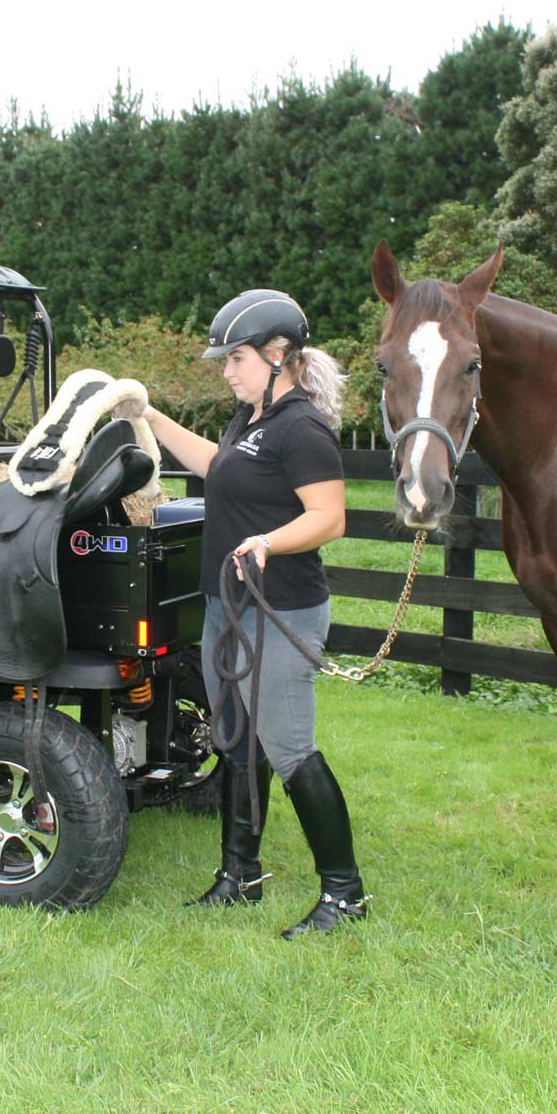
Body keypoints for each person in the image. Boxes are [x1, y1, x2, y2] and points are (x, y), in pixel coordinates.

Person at [142, 290, 368, 938]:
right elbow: (219, 467)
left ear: (277, 356)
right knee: (236, 744)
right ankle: (240, 875)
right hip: (229, 609)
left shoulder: (302, 428)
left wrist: (270, 541)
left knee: (291, 749)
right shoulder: (250, 419)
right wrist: (151, 417)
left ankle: (346, 894)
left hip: (283, 613)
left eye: (235, 358)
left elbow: (330, 517)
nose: (226, 370)